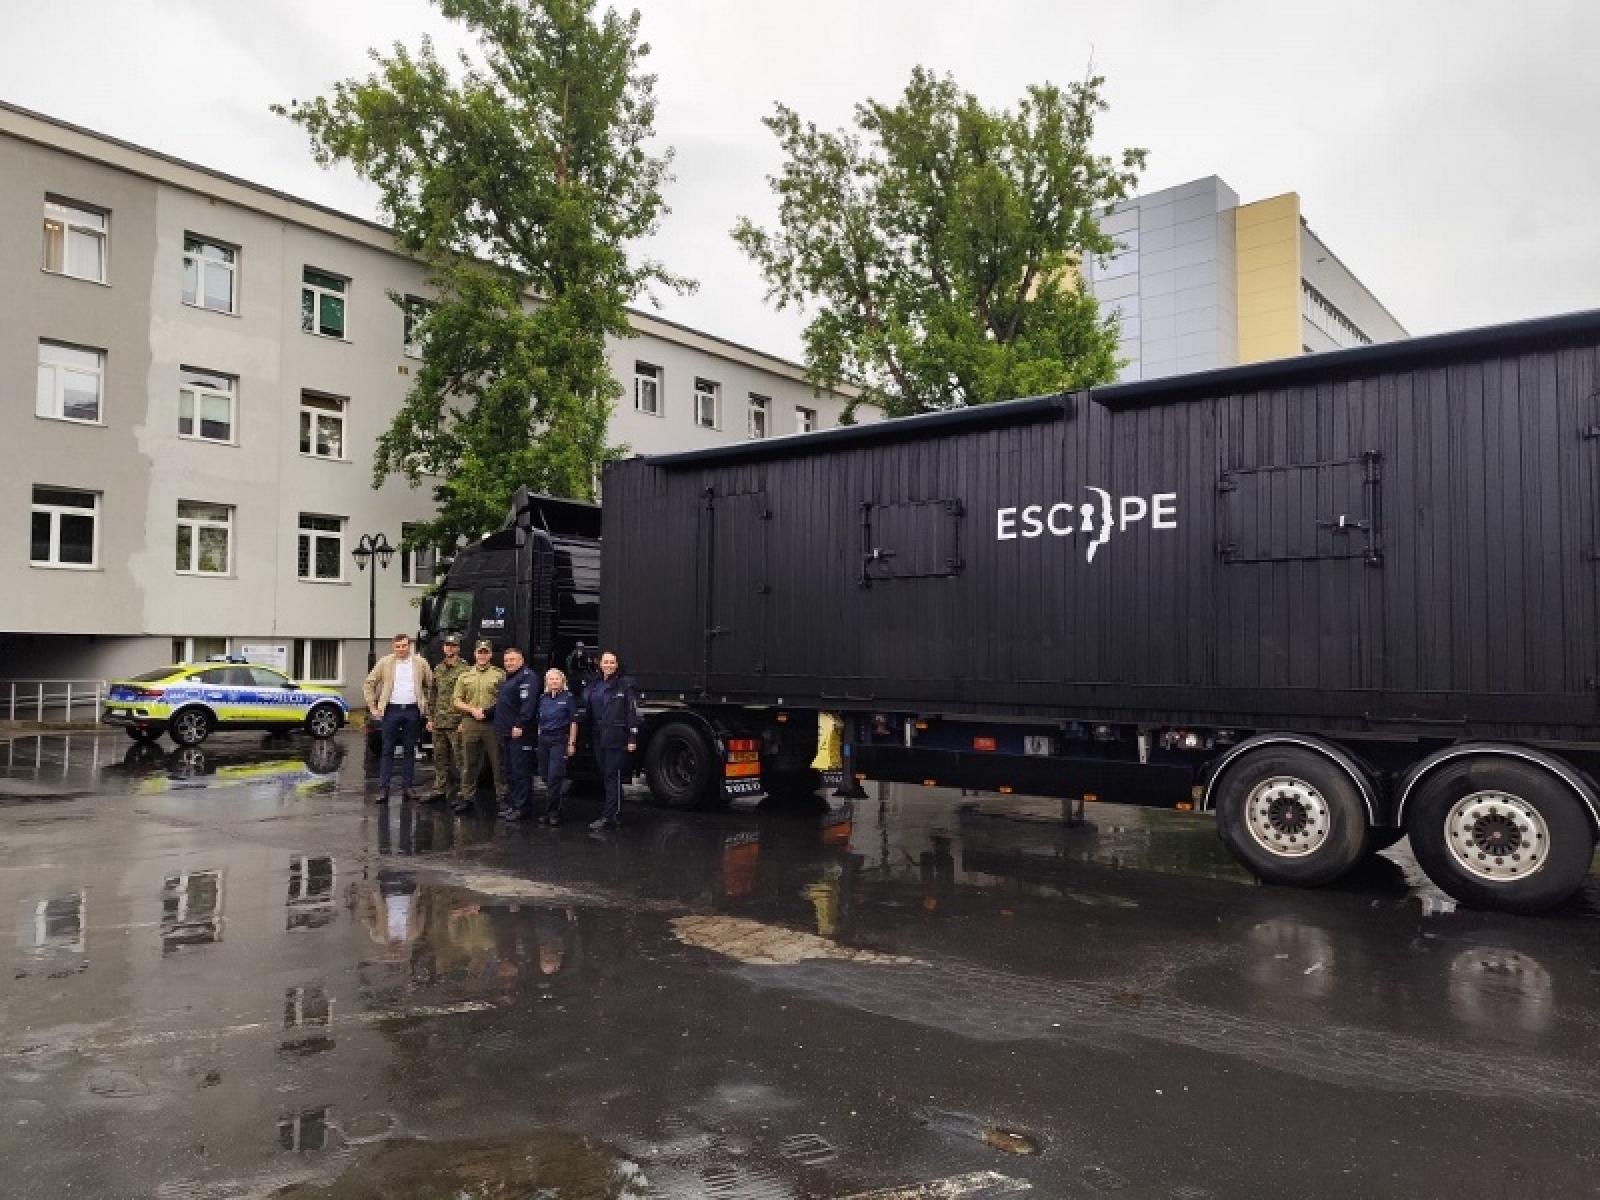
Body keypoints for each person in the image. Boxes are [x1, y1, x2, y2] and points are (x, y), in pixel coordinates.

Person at [363, 633, 434, 804]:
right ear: (393, 647)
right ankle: (383, 788)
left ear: (409, 646)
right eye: (398, 646)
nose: (401, 649)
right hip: (391, 710)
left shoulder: (420, 663)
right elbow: (369, 683)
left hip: (412, 711)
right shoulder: (385, 662)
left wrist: (427, 708)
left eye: (404, 646)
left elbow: (431, 686)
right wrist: (373, 705)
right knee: (387, 749)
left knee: (410, 750)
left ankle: (408, 787)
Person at [578, 649, 639, 831]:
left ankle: (609, 816)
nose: (609, 665)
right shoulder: (594, 685)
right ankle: (614, 812)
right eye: (606, 662)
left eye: (612, 662)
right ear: (600, 664)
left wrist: (632, 737)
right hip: (598, 736)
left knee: (613, 775)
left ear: (617, 665)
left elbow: (632, 713)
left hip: (616, 737)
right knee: (606, 775)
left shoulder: (624, 686)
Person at [452, 641, 506, 815]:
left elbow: (504, 698)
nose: (482, 656)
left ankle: (502, 798)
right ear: (475, 654)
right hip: (471, 722)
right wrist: (472, 710)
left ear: (490, 655)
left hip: (491, 723)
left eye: (486, 652)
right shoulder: (465, 676)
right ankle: (467, 797)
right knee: (469, 762)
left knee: (497, 762)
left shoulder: (499, 675)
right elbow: (456, 700)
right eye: (480, 652)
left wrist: (488, 712)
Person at [425, 633, 469, 805]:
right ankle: (439, 789)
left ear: (458, 648)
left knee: (461, 759)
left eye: (453, 646)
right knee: (439, 757)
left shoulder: (465, 670)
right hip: (439, 721)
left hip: (456, 721)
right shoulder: (438, 669)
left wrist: (464, 720)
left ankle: (464, 792)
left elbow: (468, 696)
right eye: (447, 646)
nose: (449, 648)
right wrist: (430, 718)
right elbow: (433, 694)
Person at [531, 668, 578, 825]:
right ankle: (555, 806)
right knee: (544, 774)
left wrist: (571, 743)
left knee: (554, 777)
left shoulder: (568, 698)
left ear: (562, 681)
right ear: (546, 682)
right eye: (550, 679)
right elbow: (539, 719)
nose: (554, 682)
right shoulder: (542, 698)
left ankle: (553, 813)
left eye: (556, 679)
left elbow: (573, 722)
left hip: (559, 740)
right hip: (544, 739)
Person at [496, 647, 537, 822]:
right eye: (506, 660)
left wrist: (521, 724)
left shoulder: (528, 678)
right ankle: (513, 804)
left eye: (512, 660)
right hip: (507, 732)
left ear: (521, 660)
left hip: (520, 733)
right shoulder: (509, 679)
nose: (509, 663)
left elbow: (528, 705)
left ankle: (522, 807)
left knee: (521, 771)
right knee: (511, 771)